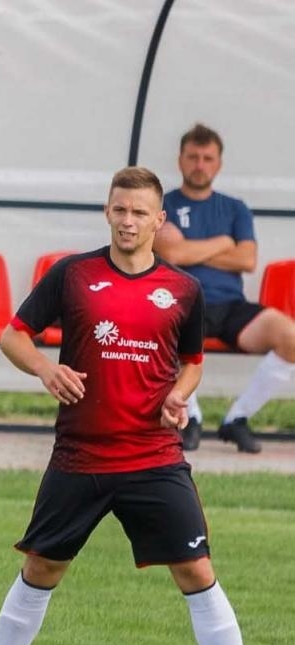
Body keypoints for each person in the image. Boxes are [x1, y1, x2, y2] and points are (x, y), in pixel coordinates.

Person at [0, 166, 273, 645]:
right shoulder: (73, 275)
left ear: (160, 220)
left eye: (139, 213)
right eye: (119, 210)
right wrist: (45, 368)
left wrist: (178, 398)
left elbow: (193, 364)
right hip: (80, 456)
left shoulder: (184, 289)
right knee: (41, 567)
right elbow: (13, 335)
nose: (128, 221)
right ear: (107, 212)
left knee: (196, 569)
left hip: (154, 456)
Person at [155, 123, 295, 454]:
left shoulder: (235, 208)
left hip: (231, 304)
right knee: (161, 326)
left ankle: (237, 418)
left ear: (218, 163)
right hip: (183, 301)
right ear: (180, 160)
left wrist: (190, 247)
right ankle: (192, 418)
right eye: (193, 157)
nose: (199, 164)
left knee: (290, 337)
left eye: (207, 158)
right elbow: (171, 253)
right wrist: (222, 242)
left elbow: (247, 259)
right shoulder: (163, 205)